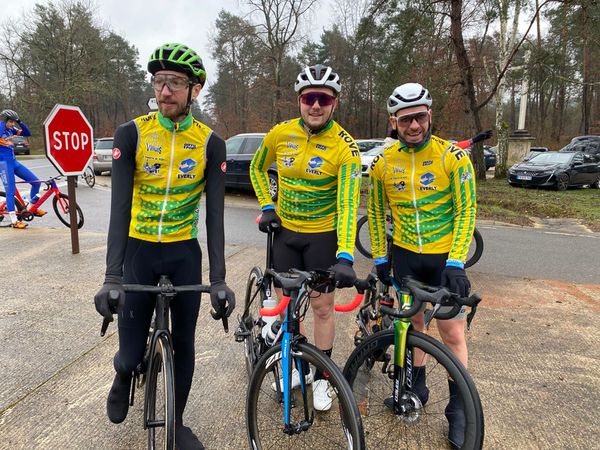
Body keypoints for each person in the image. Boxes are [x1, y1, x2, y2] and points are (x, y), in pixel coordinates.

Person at [93, 42, 235, 450]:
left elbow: (215, 217)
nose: (165, 91)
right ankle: (123, 373)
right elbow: (119, 209)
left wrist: (220, 279)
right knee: (130, 351)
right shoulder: (133, 133)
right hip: (139, 251)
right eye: (159, 82)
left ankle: (177, 424)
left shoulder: (210, 143)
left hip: (183, 253)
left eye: (175, 82)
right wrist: (111, 276)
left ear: (195, 89)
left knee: (185, 346)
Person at [367, 82, 476, 449]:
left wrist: (457, 262)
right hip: (406, 258)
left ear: (429, 115)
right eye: (405, 119)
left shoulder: (453, 157)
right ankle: (417, 384)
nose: (413, 126)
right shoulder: (383, 163)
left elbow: (466, 212)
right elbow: (375, 212)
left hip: (444, 259)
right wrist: (382, 259)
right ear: (392, 121)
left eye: (419, 117)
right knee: (412, 324)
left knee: (452, 334)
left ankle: (459, 410)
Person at [250, 64, 362, 411]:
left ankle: (323, 381)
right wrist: (268, 205)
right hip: (286, 233)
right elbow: (256, 167)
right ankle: (291, 366)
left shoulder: (346, 147)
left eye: (323, 99)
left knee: (322, 308)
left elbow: (347, 203)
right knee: (287, 311)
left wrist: (345, 253)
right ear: (299, 101)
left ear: (334, 104)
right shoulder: (280, 134)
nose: (316, 105)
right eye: (309, 98)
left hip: (322, 237)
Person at [0, 109, 46, 229]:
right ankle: (15, 221)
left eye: (14, 122)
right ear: (4, 120)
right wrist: (3, 123)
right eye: (10, 121)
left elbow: (27, 133)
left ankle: (31, 208)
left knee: (36, 182)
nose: (13, 124)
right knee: (10, 192)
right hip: (3, 164)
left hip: (14, 162)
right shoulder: (1, 128)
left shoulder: (12, 129)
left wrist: (19, 121)